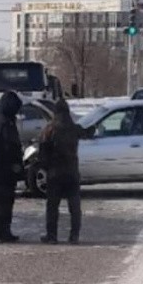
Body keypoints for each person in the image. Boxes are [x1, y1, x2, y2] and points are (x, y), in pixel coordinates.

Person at [38, 99, 94, 245]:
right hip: (72, 173)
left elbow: (42, 153)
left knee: (52, 207)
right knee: (74, 207)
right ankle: (74, 235)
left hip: (55, 174)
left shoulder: (49, 130)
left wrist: (46, 167)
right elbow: (87, 133)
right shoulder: (74, 128)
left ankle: (52, 236)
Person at [0, 91, 24, 243]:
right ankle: (3, 232)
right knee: (5, 202)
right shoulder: (6, 122)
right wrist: (16, 165)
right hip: (5, 168)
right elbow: (10, 146)